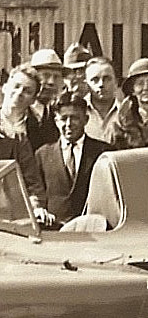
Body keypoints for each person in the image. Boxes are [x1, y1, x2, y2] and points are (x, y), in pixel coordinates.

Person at [34, 91, 110, 224]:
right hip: (54, 231)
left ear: (85, 120)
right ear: (56, 121)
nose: (69, 123)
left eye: (75, 118)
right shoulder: (42, 154)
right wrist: (39, 209)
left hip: (94, 229)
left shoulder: (103, 152)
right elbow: (37, 191)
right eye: (63, 118)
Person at [0, 64, 45, 150]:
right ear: (5, 88)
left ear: (33, 100)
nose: (20, 92)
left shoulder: (39, 129)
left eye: (27, 91)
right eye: (16, 86)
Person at [28, 48, 64, 147]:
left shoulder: (58, 115)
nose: (51, 82)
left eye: (56, 77)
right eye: (46, 75)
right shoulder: (20, 113)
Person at [83, 57, 121, 144]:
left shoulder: (127, 113)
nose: (101, 84)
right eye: (95, 80)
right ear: (86, 84)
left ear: (116, 82)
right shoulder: (78, 112)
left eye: (107, 79)